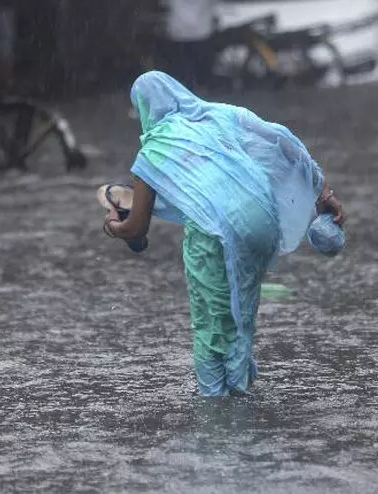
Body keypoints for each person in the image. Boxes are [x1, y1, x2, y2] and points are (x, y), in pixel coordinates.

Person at [102, 71, 345, 397]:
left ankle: (219, 417)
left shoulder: (154, 150)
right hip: (263, 220)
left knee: (211, 327)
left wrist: (111, 224)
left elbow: (136, 228)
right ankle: (241, 398)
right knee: (240, 318)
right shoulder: (219, 114)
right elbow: (283, 140)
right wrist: (323, 191)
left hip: (217, 233)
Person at [163, 0, 218, 90]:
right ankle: (201, 86)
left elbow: (164, 5)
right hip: (202, 32)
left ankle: (185, 88)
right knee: (199, 65)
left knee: (182, 66)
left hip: (178, 31)